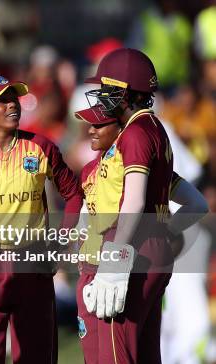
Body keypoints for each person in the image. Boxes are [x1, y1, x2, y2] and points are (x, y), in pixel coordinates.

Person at [0, 74, 83, 363]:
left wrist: (60, 244)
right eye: (2, 100)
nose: (13, 106)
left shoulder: (41, 148)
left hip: (33, 267)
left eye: (14, 98)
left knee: (37, 357)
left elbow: (73, 195)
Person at [76, 47, 191, 364]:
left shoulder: (135, 133)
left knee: (116, 355)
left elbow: (135, 200)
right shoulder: (157, 130)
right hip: (152, 247)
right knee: (146, 354)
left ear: (125, 92)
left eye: (107, 89)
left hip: (128, 246)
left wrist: (114, 258)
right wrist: (164, 234)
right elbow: (195, 203)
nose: (101, 96)